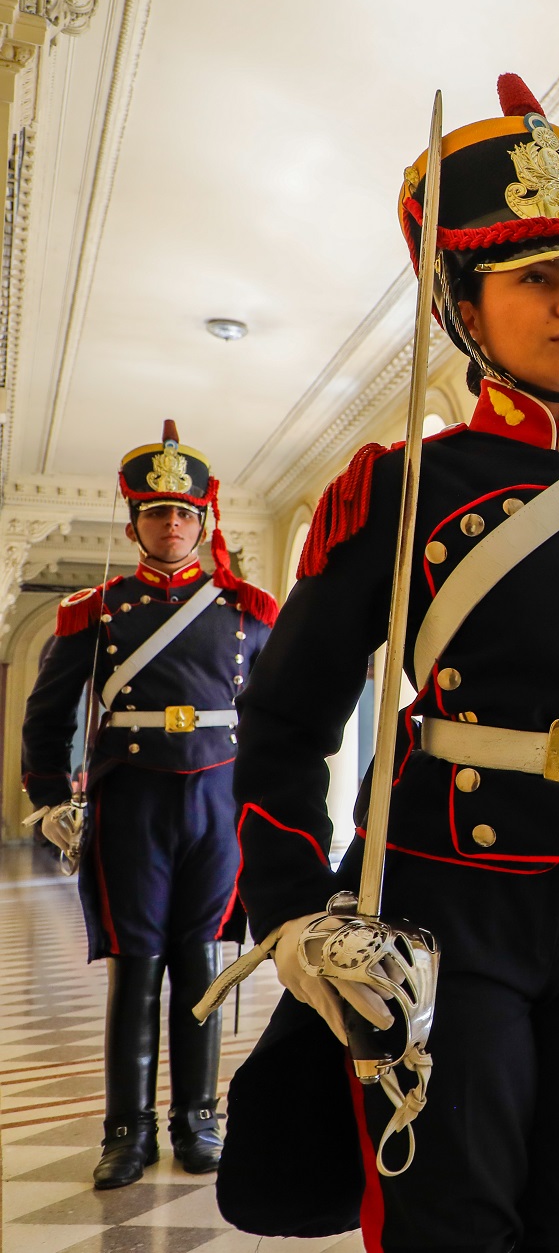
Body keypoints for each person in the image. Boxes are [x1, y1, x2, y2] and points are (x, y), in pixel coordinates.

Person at [218, 74, 559, 1250]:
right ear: (465, 308)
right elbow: (284, 718)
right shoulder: (400, 492)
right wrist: (300, 916)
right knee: (450, 1213)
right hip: (449, 897)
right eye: (540, 280)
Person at [19, 423, 277, 1188]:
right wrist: (47, 800)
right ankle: (125, 1133)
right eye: (159, 513)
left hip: (216, 804)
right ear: (134, 522)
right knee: (136, 965)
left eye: (186, 513)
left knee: (199, 964)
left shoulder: (248, 611)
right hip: (130, 804)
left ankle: (198, 1120)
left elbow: (281, 715)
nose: (173, 525)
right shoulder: (90, 612)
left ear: (204, 521)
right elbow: (46, 718)